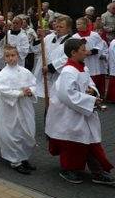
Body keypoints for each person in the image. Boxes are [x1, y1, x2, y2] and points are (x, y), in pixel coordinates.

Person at [45, 39, 114, 185]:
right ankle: (69, 169)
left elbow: (90, 84)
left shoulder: (83, 68)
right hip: (70, 115)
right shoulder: (68, 71)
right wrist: (90, 101)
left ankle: (98, 172)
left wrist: (93, 92)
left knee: (91, 142)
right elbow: (67, 94)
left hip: (83, 112)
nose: (86, 51)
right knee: (73, 144)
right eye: (83, 49)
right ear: (73, 53)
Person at [0, 45, 37, 174]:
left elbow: (33, 84)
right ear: (4, 58)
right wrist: (20, 94)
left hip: (24, 107)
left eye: (13, 55)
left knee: (26, 131)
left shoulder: (25, 72)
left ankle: (24, 157)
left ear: (17, 56)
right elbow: (3, 91)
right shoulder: (2, 74)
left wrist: (30, 91)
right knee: (12, 133)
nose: (11, 58)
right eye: (8, 56)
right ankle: (15, 160)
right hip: (9, 108)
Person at [32, 15, 72, 98]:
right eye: (57, 26)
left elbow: (67, 58)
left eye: (61, 27)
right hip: (44, 74)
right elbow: (36, 49)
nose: (58, 29)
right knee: (45, 98)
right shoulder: (49, 37)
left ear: (68, 28)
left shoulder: (71, 41)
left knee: (56, 100)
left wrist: (50, 67)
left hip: (57, 75)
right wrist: (39, 37)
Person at [72, 17, 107, 95]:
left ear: (85, 25)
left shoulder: (94, 35)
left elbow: (100, 45)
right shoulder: (75, 37)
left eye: (79, 24)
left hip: (93, 60)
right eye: (76, 24)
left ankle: (96, 96)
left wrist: (91, 51)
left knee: (94, 78)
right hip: (83, 60)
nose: (77, 26)